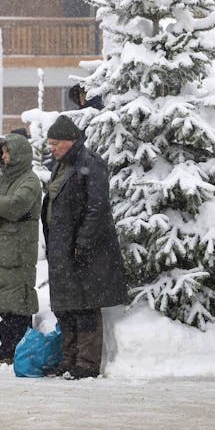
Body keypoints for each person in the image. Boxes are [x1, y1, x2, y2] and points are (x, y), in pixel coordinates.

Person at [41, 115, 128, 379]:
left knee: (85, 304)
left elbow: (96, 207)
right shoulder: (61, 165)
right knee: (65, 305)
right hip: (60, 245)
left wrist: (83, 241)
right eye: (50, 143)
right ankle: (69, 359)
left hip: (82, 248)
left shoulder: (90, 164)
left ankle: (87, 363)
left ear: (70, 141)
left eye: (55, 143)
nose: (51, 148)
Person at [0, 133, 41, 367]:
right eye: (1, 152)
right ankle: (7, 350)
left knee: (18, 306)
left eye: (7, 151)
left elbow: (15, 206)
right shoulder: (0, 180)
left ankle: (18, 352)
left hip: (17, 253)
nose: (3, 156)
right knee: (4, 306)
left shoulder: (30, 180)